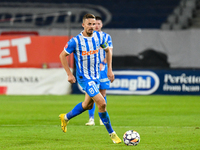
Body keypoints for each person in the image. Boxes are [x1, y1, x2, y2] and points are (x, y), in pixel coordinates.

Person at [59, 13, 121, 144]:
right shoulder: (75, 41)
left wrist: (109, 69)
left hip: (96, 76)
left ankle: (65, 117)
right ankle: (112, 134)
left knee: (87, 105)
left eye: (94, 24)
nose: (92, 26)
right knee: (102, 103)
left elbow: (108, 51)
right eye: (89, 24)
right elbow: (62, 55)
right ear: (83, 25)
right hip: (85, 78)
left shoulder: (99, 37)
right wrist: (69, 74)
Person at [85, 16, 113, 126]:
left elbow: (109, 51)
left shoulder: (106, 37)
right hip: (91, 69)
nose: (96, 25)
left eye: (98, 23)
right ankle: (91, 119)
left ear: (101, 25)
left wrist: (104, 64)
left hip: (103, 69)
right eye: (94, 23)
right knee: (91, 94)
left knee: (102, 93)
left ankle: (102, 118)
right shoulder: (88, 37)